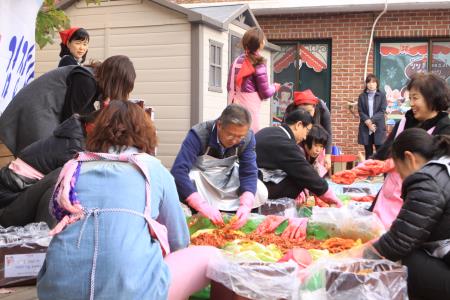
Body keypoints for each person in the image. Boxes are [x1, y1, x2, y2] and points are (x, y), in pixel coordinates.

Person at [37, 100, 218, 300]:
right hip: (131, 292)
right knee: (210, 256)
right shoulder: (154, 169)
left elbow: (58, 224)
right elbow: (179, 241)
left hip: (55, 291)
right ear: (145, 132)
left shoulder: (72, 167)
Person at [368, 128, 450, 300]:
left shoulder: (428, 180)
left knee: (406, 259)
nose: (400, 177)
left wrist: (351, 258)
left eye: (399, 170)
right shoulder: (444, 167)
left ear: (409, 158)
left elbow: (397, 243)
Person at [0, 55, 136, 155]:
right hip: (37, 110)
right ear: (117, 82)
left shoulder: (91, 80)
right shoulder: (86, 81)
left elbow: (81, 113)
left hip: (40, 110)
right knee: (43, 156)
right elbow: (70, 120)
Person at [371, 72, 450, 228]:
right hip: (387, 198)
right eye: (410, 98)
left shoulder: (444, 128)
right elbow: (385, 152)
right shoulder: (405, 121)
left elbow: (438, 171)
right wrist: (368, 166)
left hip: (418, 201)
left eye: (415, 98)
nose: (411, 103)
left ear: (431, 98)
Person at [171, 104, 267, 228]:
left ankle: (239, 217)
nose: (235, 141)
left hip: (227, 176)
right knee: (188, 179)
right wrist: (200, 205)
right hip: (202, 179)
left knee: (258, 189)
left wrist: (246, 204)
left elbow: (249, 171)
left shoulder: (248, 138)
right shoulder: (199, 134)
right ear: (219, 125)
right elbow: (178, 171)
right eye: (231, 135)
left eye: (240, 137)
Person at [0, 113, 93, 227]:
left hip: (16, 198)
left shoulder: (71, 137)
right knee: (62, 178)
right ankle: (44, 238)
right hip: (8, 207)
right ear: (90, 126)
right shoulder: (73, 147)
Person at [255, 108, 342, 206]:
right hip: (255, 187)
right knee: (300, 179)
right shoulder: (283, 142)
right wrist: (328, 194)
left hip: (254, 180)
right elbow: (303, 171)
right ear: (298, 125)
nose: (305, 137)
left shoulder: (271, 131)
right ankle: (278, 207)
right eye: (307, 131)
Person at [227, 27, 279, 132]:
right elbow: (265, 93)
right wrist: (275, 87)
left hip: (232, 103)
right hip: (249, 107)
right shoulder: (258, 63)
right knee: (249, 136)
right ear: (260, 43)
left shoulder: (236, 61)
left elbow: (229, 86)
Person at [284, 89, 333, 170]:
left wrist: (328, 155)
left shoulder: (322, 109)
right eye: (302, 111)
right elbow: (287, 134)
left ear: (315, 107)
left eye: (309, 111)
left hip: (314, 138)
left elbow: (329, 133)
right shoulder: (290, 110)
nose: (306, 115)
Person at [357, 74, 387, 159]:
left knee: (380, 153)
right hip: (366, 127)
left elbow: (382, 110)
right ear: (366, 84)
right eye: (369, 82)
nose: (371, 84)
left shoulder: (382, 96)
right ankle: (369, 171)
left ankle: (380, 172)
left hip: (378, 127)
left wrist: (371, 121)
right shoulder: (362, 96)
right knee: (368, 153)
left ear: (377, 83)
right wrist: (368, 122)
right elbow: (360, 111)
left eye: (373, 82)